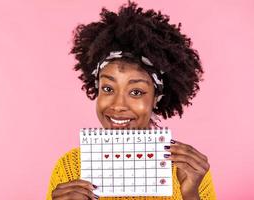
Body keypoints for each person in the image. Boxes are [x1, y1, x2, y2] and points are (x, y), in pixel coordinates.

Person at [46, 1, 217, 199]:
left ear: (156, 98)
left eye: (136, 92)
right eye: (108, 88)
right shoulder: (69, 167)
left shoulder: (188, 172)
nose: (118, 105)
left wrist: (190, 194)